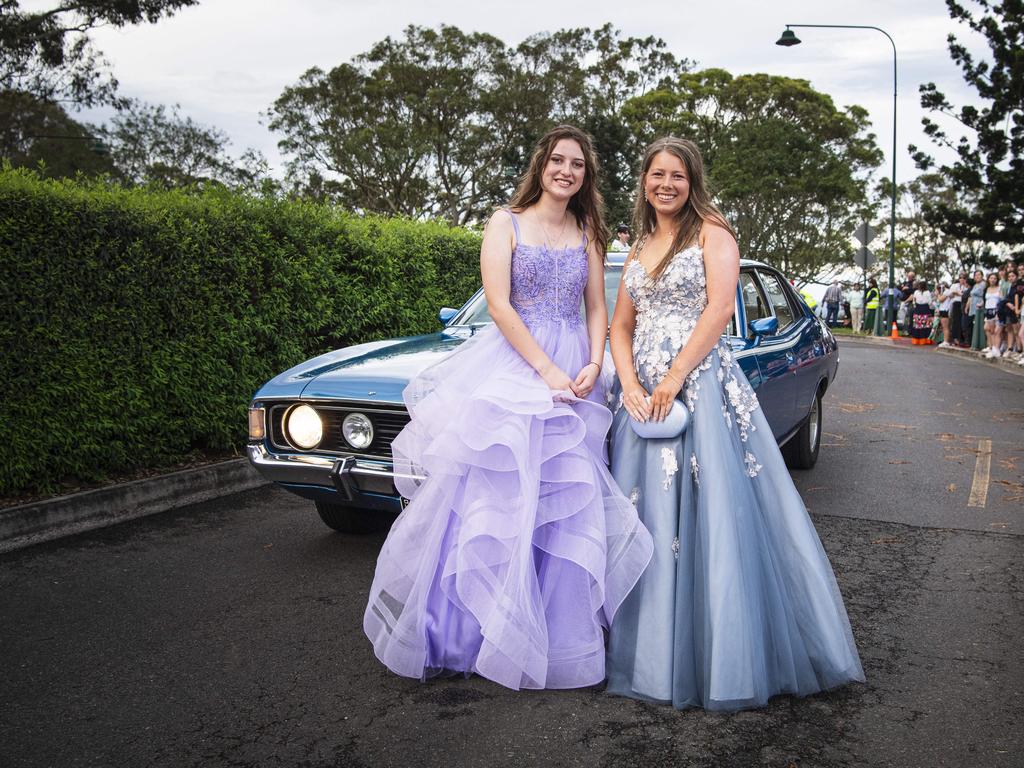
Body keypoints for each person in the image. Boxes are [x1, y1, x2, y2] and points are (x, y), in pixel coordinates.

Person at [363, 125, 653, 690]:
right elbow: (498, 304)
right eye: (557, 161)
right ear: (540, 166)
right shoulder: (505, 222)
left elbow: (597, 306)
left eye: (576, 164)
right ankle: (470, 632)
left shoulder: (588, 229)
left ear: (585, 175)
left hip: (575, 369)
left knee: (562, 496)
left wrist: (593, 364)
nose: (566, 171)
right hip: (517, 365)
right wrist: (546, 371)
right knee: (497, 492)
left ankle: (552, 631)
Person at [604, 136, 864, 711]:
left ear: (693, 182)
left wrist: (672, 377)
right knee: (643, 516)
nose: (665, 184)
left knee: (711, 517)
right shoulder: (642, 243)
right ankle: (643, 651)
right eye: (656, 175)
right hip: (643, 399)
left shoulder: (712, 233)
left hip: (698, 389)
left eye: (677, 175)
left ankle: (718, 657)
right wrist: (628, 382)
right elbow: (620, 325)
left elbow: (721, 308)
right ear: (644, 181)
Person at [983, 272, 1004, 358]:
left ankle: (997, 349)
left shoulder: (999, 288)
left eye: (995, 278)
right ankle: (993, 349)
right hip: (988, 311)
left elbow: (1002, 300)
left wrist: (999, 311)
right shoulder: (987, 289)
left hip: (997, 310)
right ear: (988, 279)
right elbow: (985, 300)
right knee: (991, 331)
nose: (993, 280)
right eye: (991, 278)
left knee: (997, 331)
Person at [909, 280, 934, 345]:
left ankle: (917, 340)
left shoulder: (916, 292)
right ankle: (926, 340)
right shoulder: (928, 292)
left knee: (917, 325)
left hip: (917, 309)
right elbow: (930, 302)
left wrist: (915, 305)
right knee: (926, 324)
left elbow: (914, 300)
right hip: (925, 309)